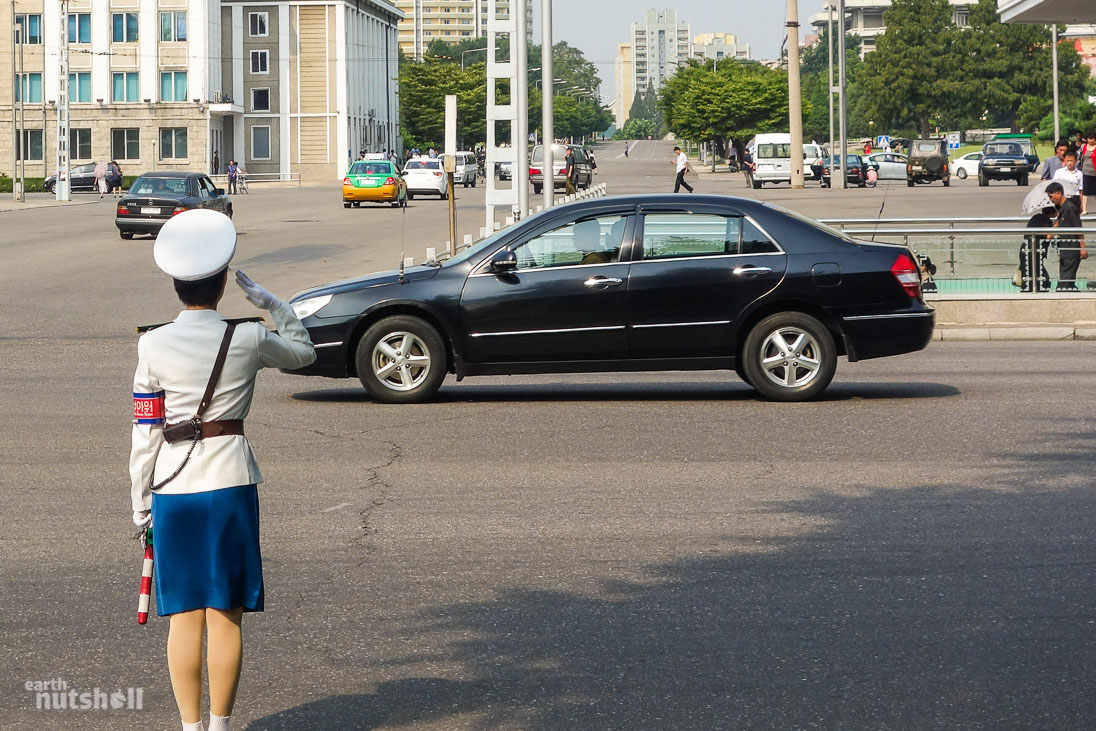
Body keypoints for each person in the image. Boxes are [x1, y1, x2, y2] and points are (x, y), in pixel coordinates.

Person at [130, 210, 316, 731]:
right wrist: (275, 304)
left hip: (172, 488)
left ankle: (190, 729)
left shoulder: (152, 343)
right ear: (221, 284)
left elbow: (145, 432)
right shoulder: (247, 338)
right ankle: (220, 727)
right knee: (226, 613)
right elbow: (304, 353)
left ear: (176, 285)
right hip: (230, 483)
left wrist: (139, 501)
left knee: (183, 616)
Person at [1047, 181, 1086, 291]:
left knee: (1065, 282)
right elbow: (1058, 224)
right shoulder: (1062, 209)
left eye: (1051, 196)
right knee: (1067, 280)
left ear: (1059, 193)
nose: (1051, 199)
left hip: (1072, 249)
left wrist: (1082, 248)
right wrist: (1048, 235)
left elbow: (1078, 228)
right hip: (1065, 249)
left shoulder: (1070, 208)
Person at [1021, 205, 1055, 293]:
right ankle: (1037, 293)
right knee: (1042, 278)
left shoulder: (1036, 217)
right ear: (1051, 212)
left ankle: (1029, 291)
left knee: (1029, 275)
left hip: (1026, 248)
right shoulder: (1046, 221)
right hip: (1034, 250)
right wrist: (1056, 226)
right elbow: (1047, 236)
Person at [1079, 131, 1096, 218]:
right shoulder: (1083, 146)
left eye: (1092, 138)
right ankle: (1084, 209)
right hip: (1086, 171)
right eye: (1089, 138)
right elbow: (1080, 157)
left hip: (1095, 171)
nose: (1090, 140)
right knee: (1085, 191)